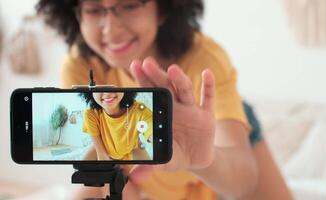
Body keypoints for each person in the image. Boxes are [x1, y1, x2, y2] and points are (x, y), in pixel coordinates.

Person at [36, 0, 293, 199]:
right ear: (76, 15)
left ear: (163, 9)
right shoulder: (80, 67)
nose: (111, 29)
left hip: (219, 137)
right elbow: (106, 173)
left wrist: (201, 157)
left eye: (129, 5)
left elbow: (242, 183)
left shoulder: (204, 61)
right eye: (93, 10)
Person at [80, 91, 153, 161]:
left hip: (132, 146)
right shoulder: (90, 114)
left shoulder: (139, 110)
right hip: (102, 146)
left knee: (151, 171)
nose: (107, 93)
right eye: (99, 87)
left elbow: (153, 130)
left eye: (114, 85)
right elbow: (101, 155)